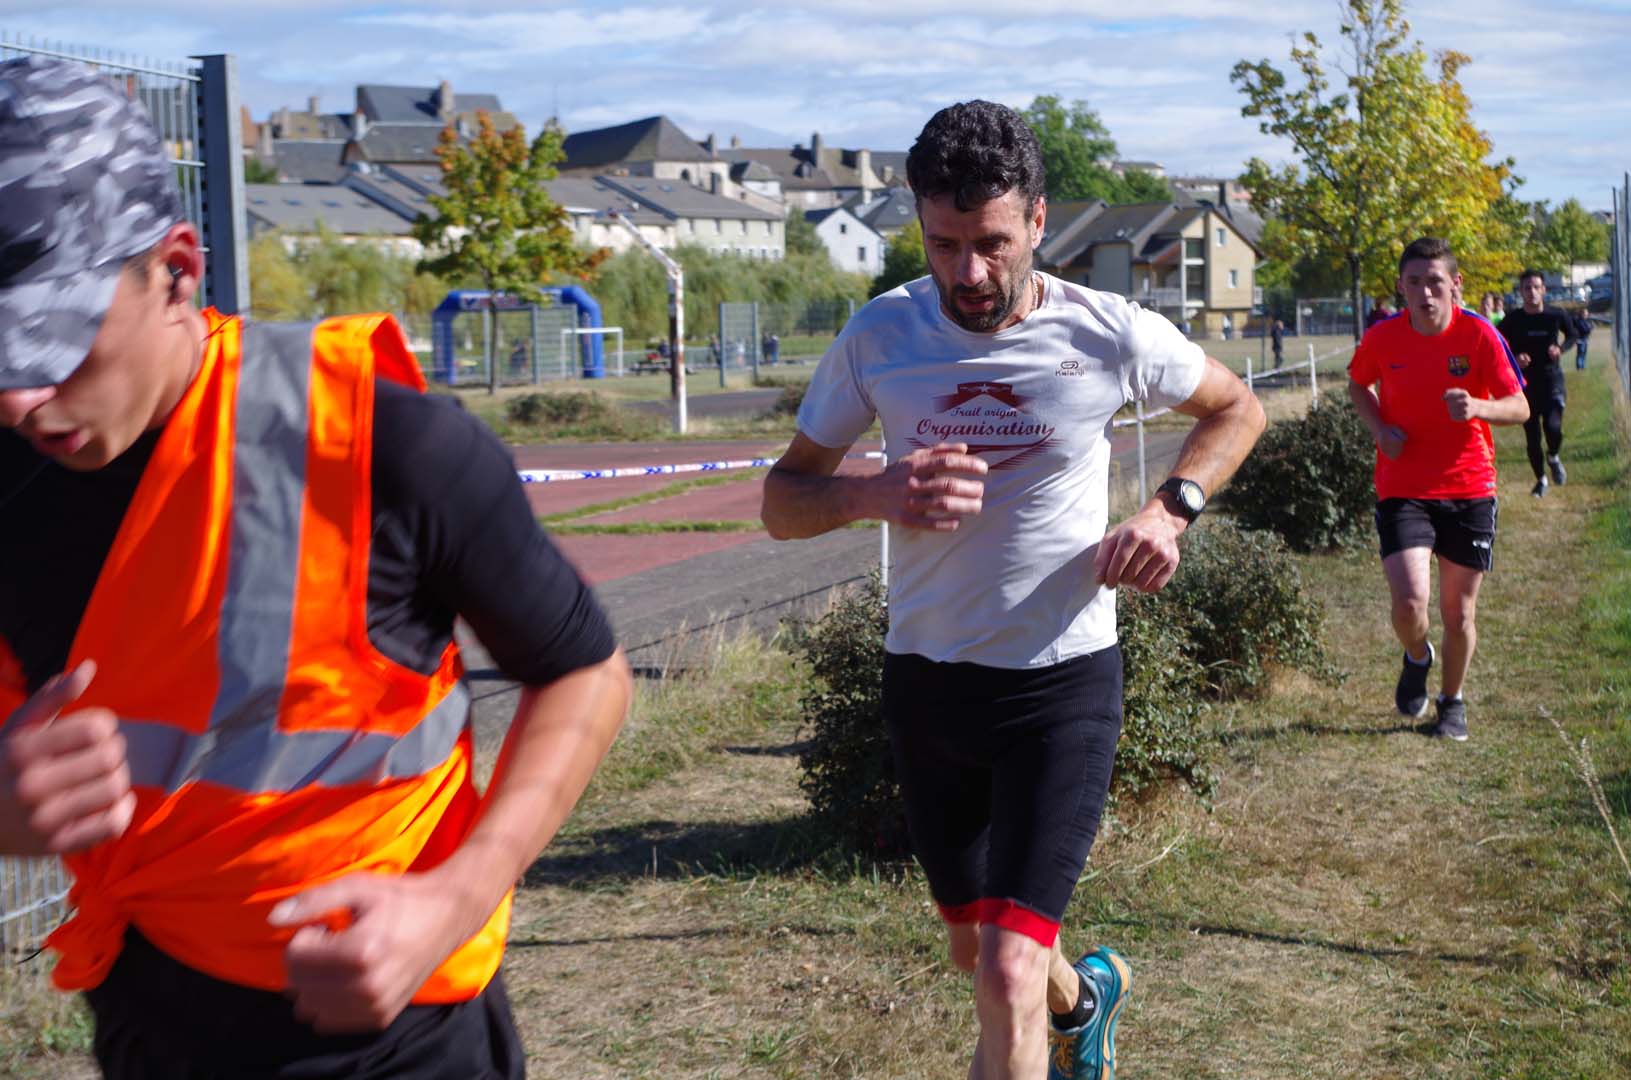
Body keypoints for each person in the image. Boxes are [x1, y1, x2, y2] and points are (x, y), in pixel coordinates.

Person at [0, 56, 632, 1078]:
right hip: (145, 1022)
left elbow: (585, 673)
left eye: (55, 342)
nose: (21, 399)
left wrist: (456, 896)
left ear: (178, 269)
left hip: (400, 1044)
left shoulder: (384, 447)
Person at [760, 100, 1264, 1080]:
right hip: (927, 682)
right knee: (977, 952)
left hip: (1059, 686)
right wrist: (872, 491)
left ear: (1037, 221)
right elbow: (783, 501)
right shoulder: (880, 337)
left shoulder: (1105, 331)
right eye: (943, 244)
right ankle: (1089, 1000)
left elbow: (1236, 404)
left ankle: (1049, 1006)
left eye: (990, 244)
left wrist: (1169, 511)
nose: (968, 274)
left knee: (1002, 971)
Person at [1346, 237, 1528, 743]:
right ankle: (1416, 655)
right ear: (1401, 287)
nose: (1425, 293)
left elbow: (1519, 406)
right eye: (1414, 283)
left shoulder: (1479, 335)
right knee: (1409, 603)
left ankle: (1452, 703)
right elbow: (1359, 386)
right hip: (1404, 485)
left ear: (1455, 284)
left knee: (1459, 612)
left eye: (1434, 282)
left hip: (1469, 486)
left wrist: (1479, 407)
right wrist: (1380, 430)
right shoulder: (1383, 338)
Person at [1497, 269, 1577, 497]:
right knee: (1532, 437)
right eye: (1526, 288)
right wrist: (1514, 359)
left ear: (1543, 290)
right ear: (1521, 292)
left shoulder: (1556, 315)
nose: (1531, 292)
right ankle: (1540, 480)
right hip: (1525, 385)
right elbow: (1497, 344)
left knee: (1553, 427)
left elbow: (1572, 335)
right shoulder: (1513, 319)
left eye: (1535, 287)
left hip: (1552, 379)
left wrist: (1560, 348)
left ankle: (1553, 456)